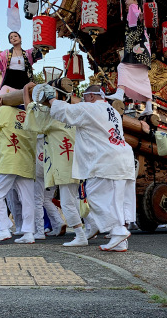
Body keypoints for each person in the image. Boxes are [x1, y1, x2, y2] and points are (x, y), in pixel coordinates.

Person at [46, 84, 135, 252]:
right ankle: (120, 241)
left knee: (94, 195)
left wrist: (51, 98)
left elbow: (63, 112)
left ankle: (118, 230)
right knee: (116, 201)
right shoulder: (113, 112)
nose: (81, 100)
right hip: (123, 157)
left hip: (105, 159)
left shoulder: (90, 108)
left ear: (92, 96)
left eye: (84, 97)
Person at [23, 83, 85, 247]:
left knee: (66, 203)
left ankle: (80, 235)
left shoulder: (53, 116)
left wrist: (25, 92)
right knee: (74, 199)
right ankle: (89, 229)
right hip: (76, 163)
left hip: (64, 165)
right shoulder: (74, 110)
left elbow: (31, 113)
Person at [0, 96, 37, 243]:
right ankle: (29, 233)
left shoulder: (3, 110)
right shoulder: (31, 113)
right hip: (26, 161)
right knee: (27, 199)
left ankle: (3, 228)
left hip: (8, 160)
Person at [108, 0, 154, 117]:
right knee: (143, 76)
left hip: (136, 46)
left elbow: (136, 14)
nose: (126, 2)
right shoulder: (137, 8)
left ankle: (120, 92)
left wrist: (140, 16)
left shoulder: (134, 8)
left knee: (122, 66)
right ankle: (149, 106)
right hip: (145, 49)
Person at [0, 32, 42, 97]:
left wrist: (38, 45)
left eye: (15, 36)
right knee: (2, 98)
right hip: (10, 80)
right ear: (10, 42)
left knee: (25, 100)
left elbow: (38, 52)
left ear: (20, 38)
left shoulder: (27, 53)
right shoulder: (5, 53)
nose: (13, 38)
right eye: (11, 38)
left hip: (23, 80)